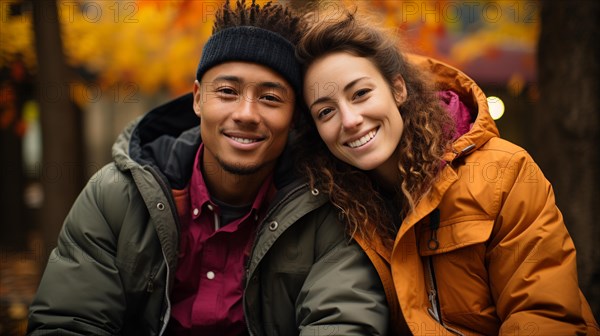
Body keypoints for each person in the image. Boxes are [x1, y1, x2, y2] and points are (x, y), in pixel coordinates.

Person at [26, 1, 389, 335]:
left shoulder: (330, 211)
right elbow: (68, 323)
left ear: (294, 117)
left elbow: (342, 323)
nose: (246, 114)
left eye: (270, 98)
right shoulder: (115, 198)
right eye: (227, 92)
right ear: (198, 98)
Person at [296, 8, 600, 336]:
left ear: (398, 89)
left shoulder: (505, 173)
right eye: (326, 111)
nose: (350, 120)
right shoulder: (335, 208)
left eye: (361, 94)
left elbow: (544, 315)